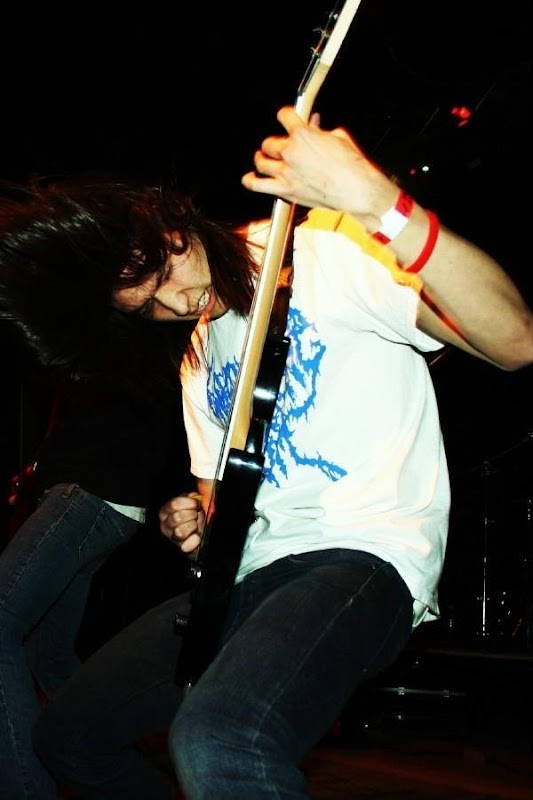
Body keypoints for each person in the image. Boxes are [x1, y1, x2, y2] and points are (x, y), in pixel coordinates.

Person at [0, 105, 530, 800]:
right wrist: (193, 520)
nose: (178, 302)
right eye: (148, 307)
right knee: (68, 735)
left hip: (363, 556)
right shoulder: (195, 351)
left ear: (174, 224)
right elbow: (220, 500)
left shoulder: (325, 255)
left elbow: (515, 339)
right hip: (249, 577)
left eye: (165, 274)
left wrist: (381, 204)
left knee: (220, 737)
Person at [0, 313, 192, 800]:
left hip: (91, 493)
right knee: (49, 653)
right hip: (90, 492)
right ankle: (114, 765)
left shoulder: (142, 314)